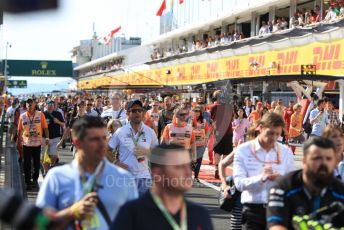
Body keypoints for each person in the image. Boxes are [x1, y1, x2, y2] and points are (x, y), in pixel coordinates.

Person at [36, 116, 138, 230]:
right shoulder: (56, 177)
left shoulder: (124, 178)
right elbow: (38, 224)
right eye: (94, 139)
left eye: (104, 138)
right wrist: (71, 212)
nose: (102, 144)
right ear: (77, 143)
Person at [111, 144, 214, 230]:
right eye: (179, 167)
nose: (188, 172)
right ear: (158, 174)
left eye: (188, 166)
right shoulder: (131, 214)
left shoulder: (199, 214)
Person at [233, 112, 295, 230]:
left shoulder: (286, 151)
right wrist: (261, 178)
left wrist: (281, 179)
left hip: (279, 211)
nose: (274, 137)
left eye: (277, 134)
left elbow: (292, 183)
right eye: (270, 133)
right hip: (253, 210)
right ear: (260, 128)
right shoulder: (243, 150)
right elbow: (239, 184)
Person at [267, 137, 344, 229]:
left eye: (328, 159)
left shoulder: (340, 191)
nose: (324, 163)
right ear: (304, 161)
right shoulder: (283, 187)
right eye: (317, 158)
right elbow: (276, 226)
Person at [108, 100, 159, 196]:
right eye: (134, 111)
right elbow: (106, 150)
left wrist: (147, 151)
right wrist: (116, 162)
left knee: (142, 209)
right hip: (124, 178)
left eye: (140, 110)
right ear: (128, 113)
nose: (138, 113)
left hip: (144, 177)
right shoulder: (120, 131)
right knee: (126, 209)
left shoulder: (150, 132)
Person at [17, 98, 49, 190]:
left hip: (37, 144)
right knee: (26, 164)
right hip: (26, 144)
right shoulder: (22, 116)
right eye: (28, 104)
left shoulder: (40, 114)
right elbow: (19, 130)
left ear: (35, 105)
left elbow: (45, 128)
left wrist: (47, 138)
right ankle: (28, 182)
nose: (29, 105)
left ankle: (34, 179)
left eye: (31, 103)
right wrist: (18, 141)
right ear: (25, 105)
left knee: (36, 164)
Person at [210, 90, 234, 179]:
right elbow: (231, 119)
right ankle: (221, 168)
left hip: (219, 132)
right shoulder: (229, 106)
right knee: (226, 152)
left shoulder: (213, 107)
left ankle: (217, 168)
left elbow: (213, 121)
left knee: (217, 151)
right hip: (228, 131)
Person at [42, 100, 65, 175]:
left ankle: (51, 165)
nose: (51, 105)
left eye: (52, 104)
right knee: (44, 156)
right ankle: (46, 171)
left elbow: (63, 124)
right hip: (44, 137)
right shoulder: (42, 114)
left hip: (55, 137)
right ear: (46, 105)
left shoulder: (58, 114)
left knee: (54, 156)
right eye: (49, 104)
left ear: (54, 106)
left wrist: (57, 121)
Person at [192, 106, 211, 182]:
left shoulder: (204, 121)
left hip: (201, 144)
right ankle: (192, 168)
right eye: (195, 111)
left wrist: (206, 138)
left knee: (199, 160)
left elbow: (208, 130)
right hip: (191, 144)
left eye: (198, 111)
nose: (197, 113)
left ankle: (196, 177)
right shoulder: (190, 121)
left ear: (200, 113)